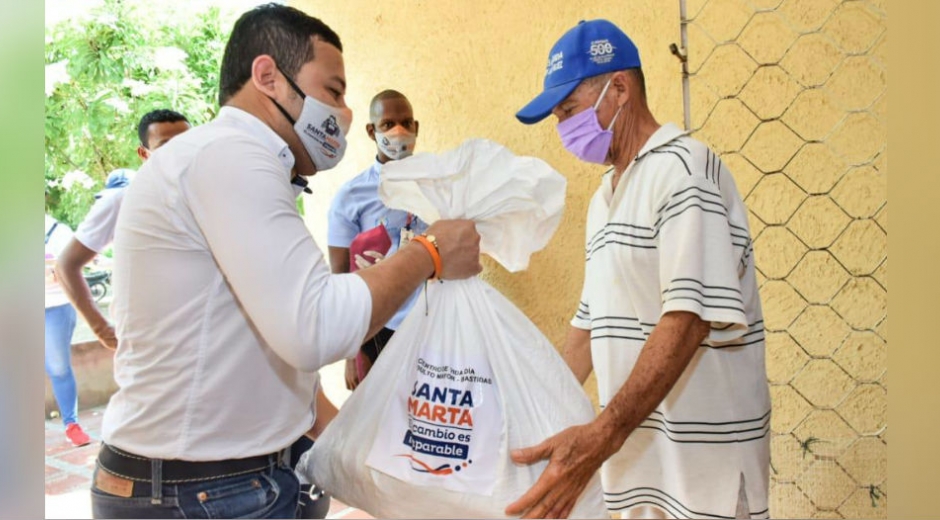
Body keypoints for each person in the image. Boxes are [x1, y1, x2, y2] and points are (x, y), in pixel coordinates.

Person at [88, 5, 480, 519]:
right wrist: (429, 253)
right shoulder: (230, 155)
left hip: (223, 479)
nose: (342, 113)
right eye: (333, 91)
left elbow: (269, 346)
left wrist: (364, 455)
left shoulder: (241, 164)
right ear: (268, 77)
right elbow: (315, 326)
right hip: (201, 488)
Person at [507, 20, 770, 520]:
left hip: (702, 482)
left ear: (619, 89)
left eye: (568, 110)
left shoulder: (684, 171)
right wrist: (535, 414)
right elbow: (588, 326)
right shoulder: (606, 197)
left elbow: (688, 319)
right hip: (641, 475)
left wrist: (601, 435)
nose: (562, 128)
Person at [55, 109, 191, 350]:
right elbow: (66, 265)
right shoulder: (122, 200)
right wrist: (103, 331)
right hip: (147, 344)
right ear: (144, 153)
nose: (179, 152)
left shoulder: (203, 196)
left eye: (186, 142)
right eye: (166, 146)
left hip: (198, 339)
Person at [328, 89, 428, 390]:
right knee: (382, 421)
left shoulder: (437, 183)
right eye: (387, 124)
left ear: (416, 128)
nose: (399, 132)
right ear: (371, 131)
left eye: (407, 123)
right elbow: (340, 278)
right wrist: (351, 353)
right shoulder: (351, 196)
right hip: (378, 328)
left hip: (432, 322)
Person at [45, 214, 90, 447]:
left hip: (55, 307)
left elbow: (74, 267)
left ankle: (71, 424)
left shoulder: (57, 232)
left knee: (58, 367)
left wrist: (55, 272)